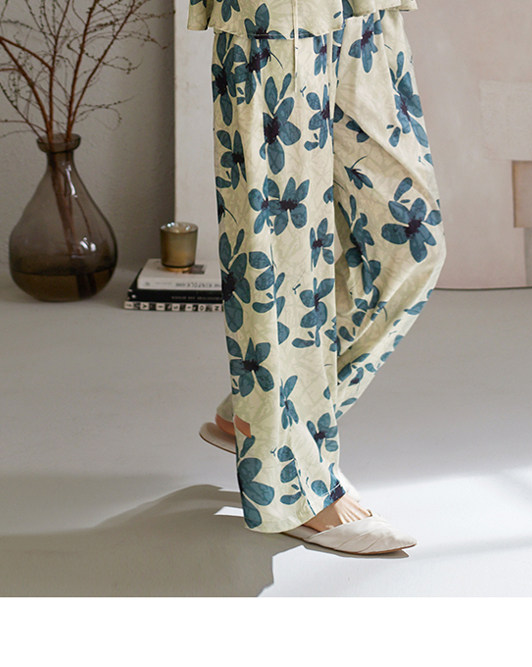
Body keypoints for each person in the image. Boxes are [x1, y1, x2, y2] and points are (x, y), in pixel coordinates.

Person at [189, 0, 446, 555]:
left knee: (412, 240)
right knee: (283, 260)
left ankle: (258, 416)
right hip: (275, 13)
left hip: (364, 10)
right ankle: (297, 485)